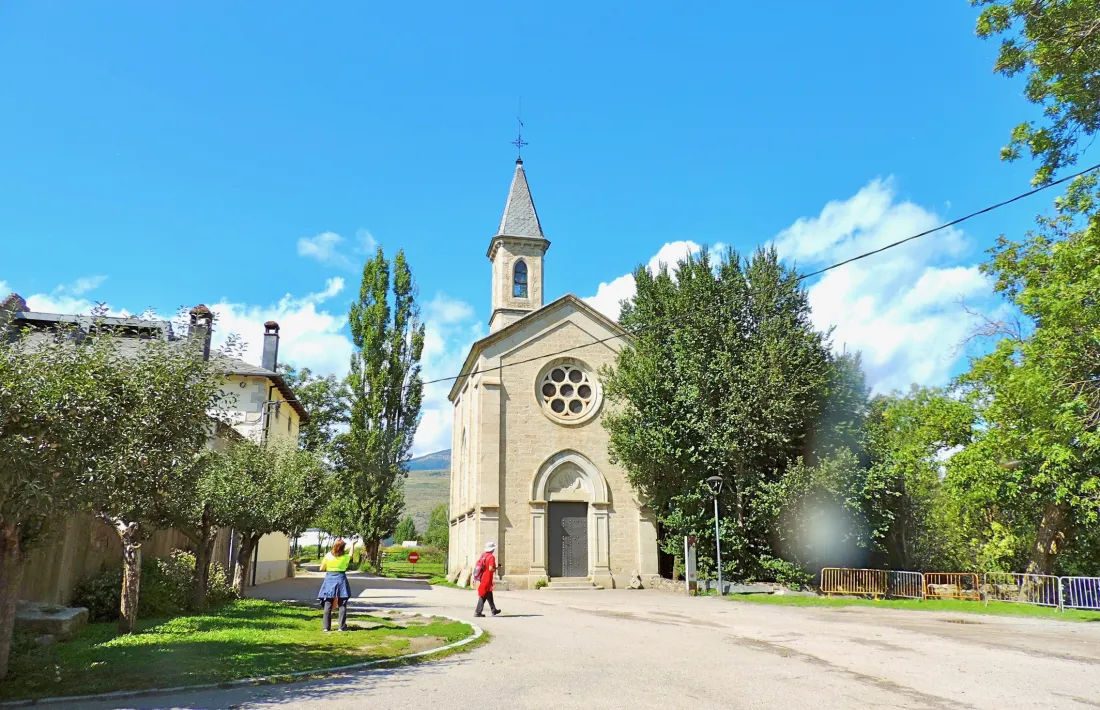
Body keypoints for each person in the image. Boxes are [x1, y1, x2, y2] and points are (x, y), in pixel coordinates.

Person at [317, 538, 352, 632]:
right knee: (342, 603)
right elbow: (351, 555)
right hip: (341, 578)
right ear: (343, 548)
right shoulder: (345, 557)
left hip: (329, 579)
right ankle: (341, 626)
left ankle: (326, 627)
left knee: (328, 602)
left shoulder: (328, 555)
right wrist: (353, 544)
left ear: (334, 546)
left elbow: (321, 568)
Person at [474, 541, 502, 618]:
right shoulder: (491, 557)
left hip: (482, 576)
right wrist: (496, 568)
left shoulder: (483, 555)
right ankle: (477, 612)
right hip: (487, 577)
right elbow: (490, 568)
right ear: (492, 549)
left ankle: (493, 609)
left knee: (489, 593)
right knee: (483, 594)